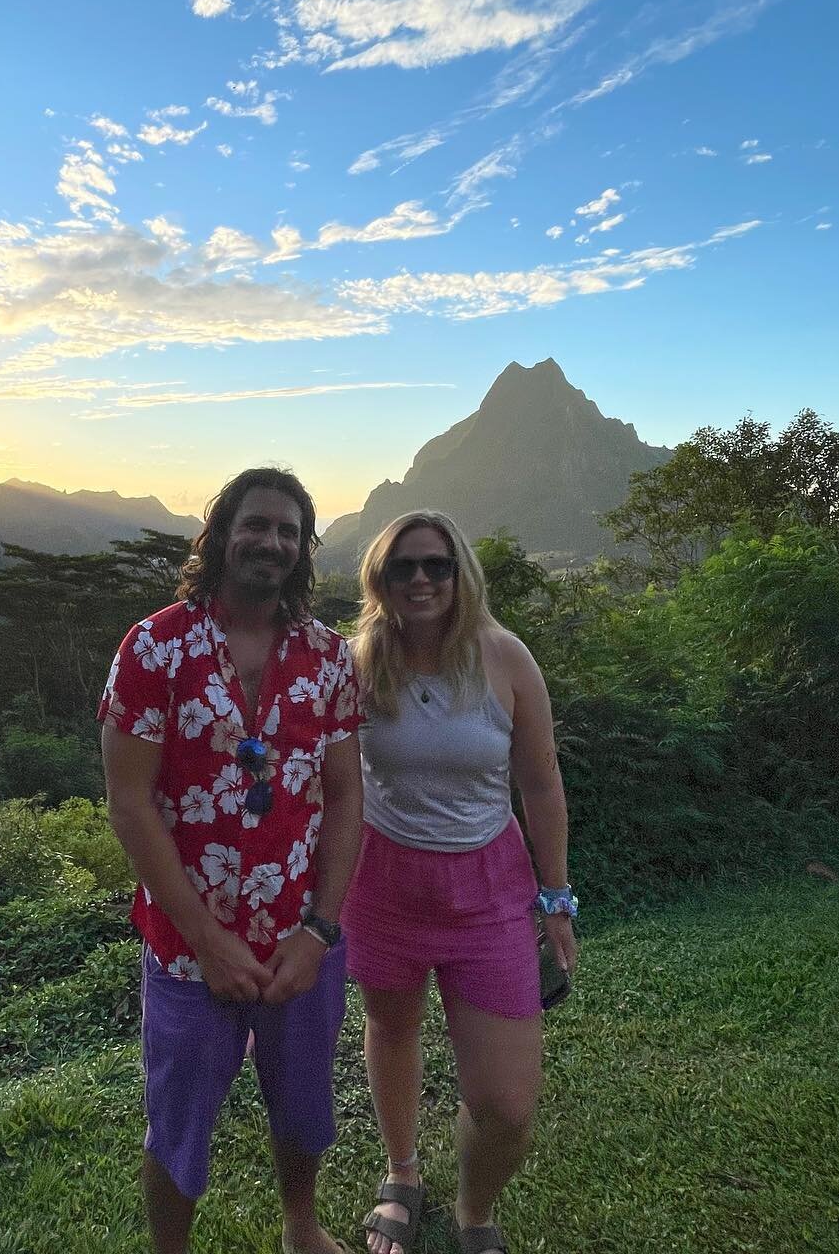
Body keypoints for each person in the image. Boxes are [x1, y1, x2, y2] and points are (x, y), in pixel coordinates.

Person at [99, 467, 365, 1254]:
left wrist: (319, 931)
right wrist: (208, 941)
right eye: (257, 524)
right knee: (178, 1123)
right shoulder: (154, 647)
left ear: (303, 550)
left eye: (289, 531)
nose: (272, 542)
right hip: (188, 950)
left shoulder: (329, 657)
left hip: (299, 939)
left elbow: (347, 799)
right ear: (221, 534)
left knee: (306, 1102)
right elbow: (130, 804)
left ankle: (301, 1227)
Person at [342, 511, 578, 1254]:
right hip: (382, 880)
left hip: (489, 887)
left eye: (435, 566)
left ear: (460, 574)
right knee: (393, 1025)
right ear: (379, 579)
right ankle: (403, 1174)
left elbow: (540, 786)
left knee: (506, 1105)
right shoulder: (358, 664)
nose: (419, 579)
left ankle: (475, 1209)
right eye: (402, 567)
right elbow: (330, 784)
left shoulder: (505, 660)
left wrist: (557, 898)